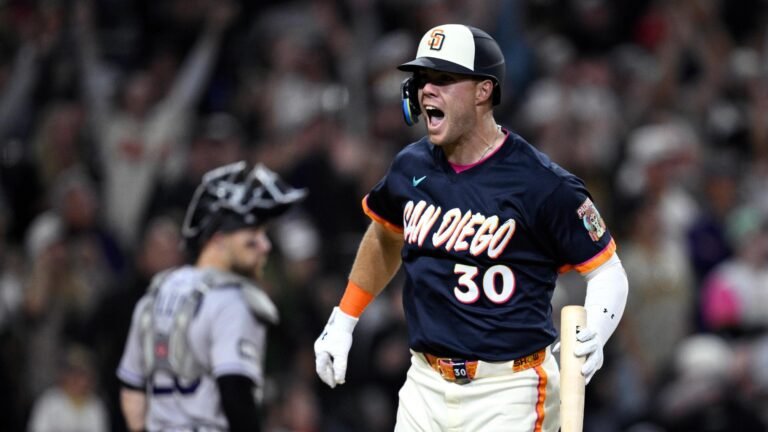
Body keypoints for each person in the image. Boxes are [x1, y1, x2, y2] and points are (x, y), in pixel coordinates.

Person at [314, 24, 629, 431]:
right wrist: (344, 318)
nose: (427, 89)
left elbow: (607, 270)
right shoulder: (410, 166)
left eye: (444, 79)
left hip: (509, 390)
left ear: (484, 90)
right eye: (423, 78)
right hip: (423, 383)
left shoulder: (542, 183)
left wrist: (597, 330)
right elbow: (386, 235)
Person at [116, 161, 307, 432]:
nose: (264, 245)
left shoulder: (156, 293)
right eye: (252, 234)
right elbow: (235, 394)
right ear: (218, 239)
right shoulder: (231, 301)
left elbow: (132, 390)